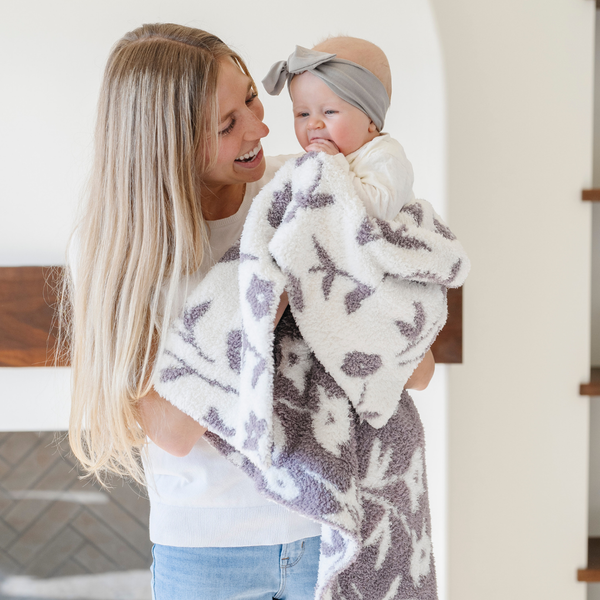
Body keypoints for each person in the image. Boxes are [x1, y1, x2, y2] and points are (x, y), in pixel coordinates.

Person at [65, 23, 434, 600]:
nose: (261, 128)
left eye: (253, 99)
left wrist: (319, 269)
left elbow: (417, 367)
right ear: (167, 143)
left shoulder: (307, 189)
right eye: (226, 124)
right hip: (210, 554)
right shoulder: (122, 252)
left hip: (334, 529)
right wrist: (265, 288)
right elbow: (172, 432)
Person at [262, 37, 414, 221]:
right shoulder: (318, 159)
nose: (313, 124)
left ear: (371, 119)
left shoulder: (385, 156)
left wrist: (334, 166)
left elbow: (379, 211)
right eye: (303, 114)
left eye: (329, 111)